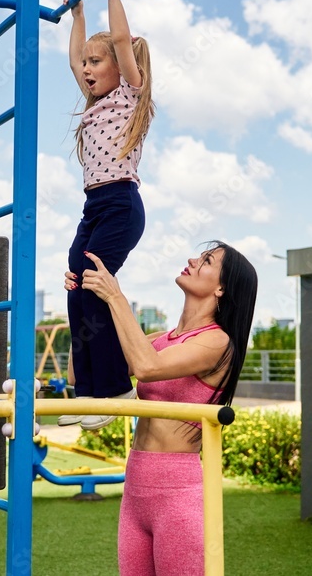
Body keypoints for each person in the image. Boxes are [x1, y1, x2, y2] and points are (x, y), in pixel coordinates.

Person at [66, 241, 258, 576]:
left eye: (206, 260)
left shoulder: (218, 342)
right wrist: (84, 306)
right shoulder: (159, 339)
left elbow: (147, 367)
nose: (192, 260)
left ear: (221, 288)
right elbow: (81, 373)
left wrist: (115, 297)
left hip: (179, 494)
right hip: (136, 488)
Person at [59, 0, 155, 431]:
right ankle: (88, 394)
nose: (87, 69)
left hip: (120, 204)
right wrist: (77, 12)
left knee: (96, 285)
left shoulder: (130, 96)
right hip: (93, 207)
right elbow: (73, 56)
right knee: (77, 286)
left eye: (98, 63)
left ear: (120, 65)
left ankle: (115, 387)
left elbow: (119, 38)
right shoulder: (95, 102)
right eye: (87, 65)